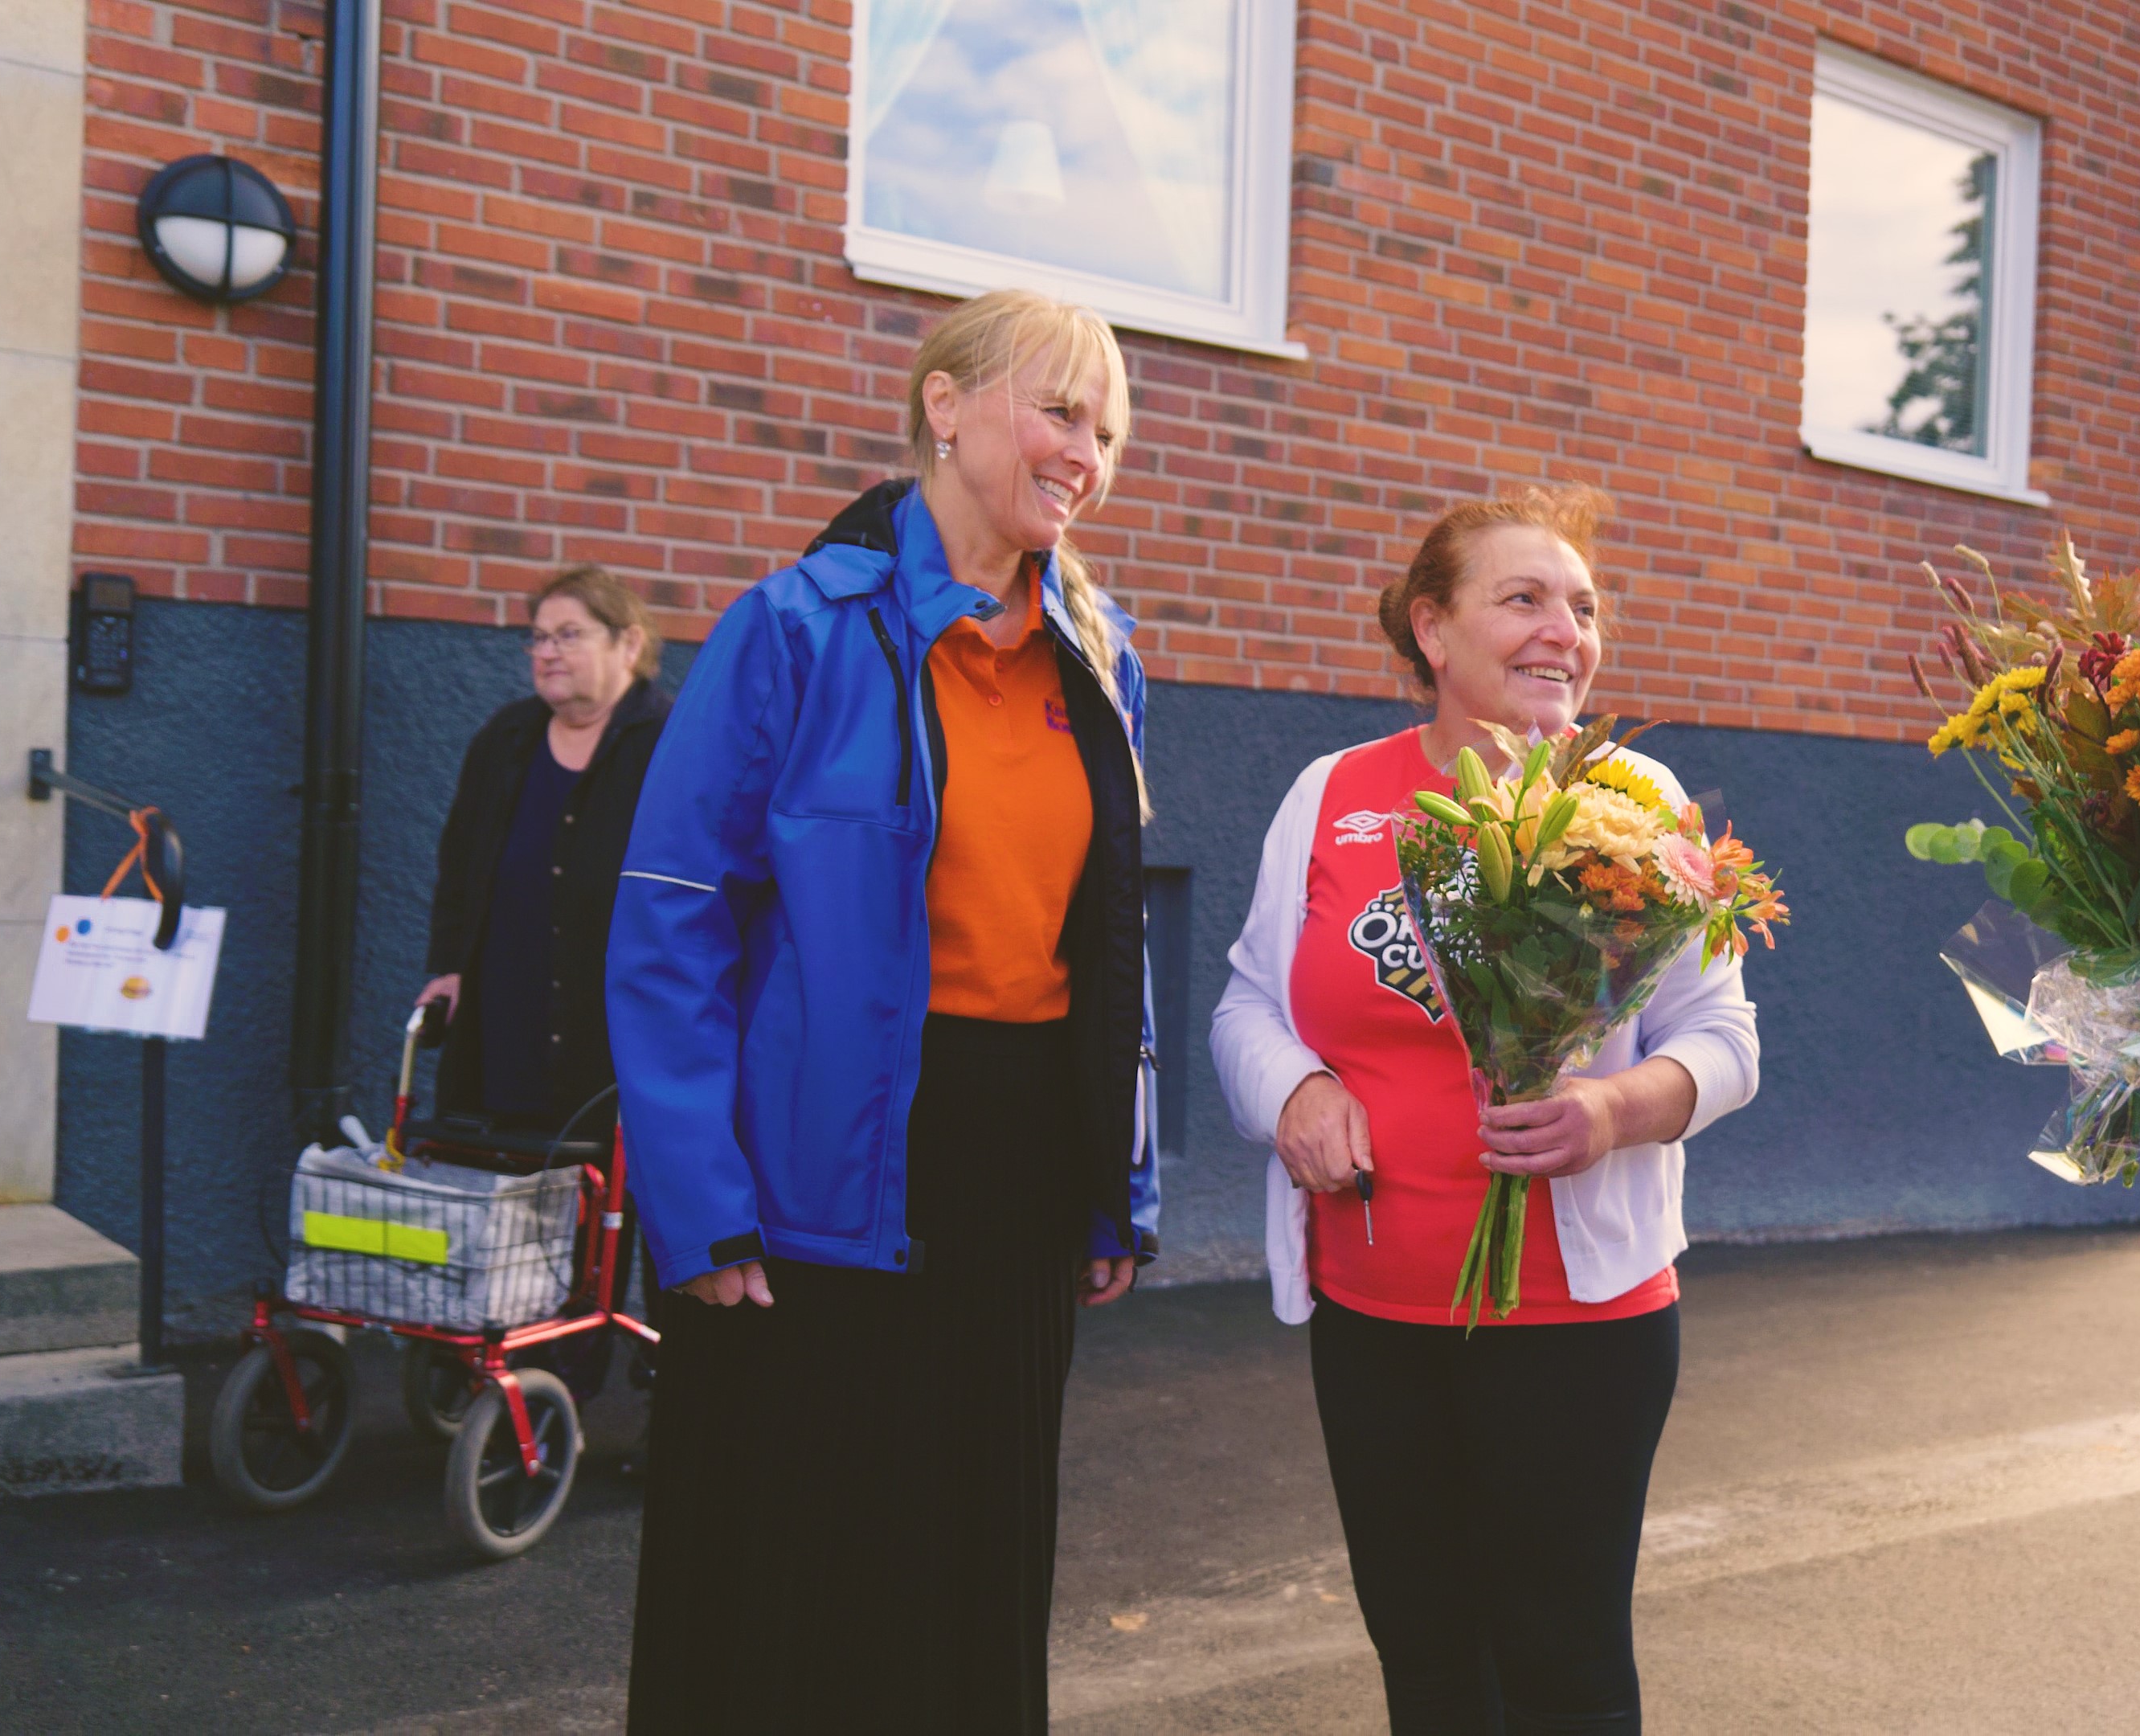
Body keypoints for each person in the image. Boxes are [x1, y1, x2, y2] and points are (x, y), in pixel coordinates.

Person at [608, 287, 1160, 1732]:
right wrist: (698, 1200)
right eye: (1059, 410)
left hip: (1019, 1166)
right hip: (811, 1177)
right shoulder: (793, 629)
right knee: (789, 1576)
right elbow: (673, 914)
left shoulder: (1103, 665)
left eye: (1104, 430)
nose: (1084, 451)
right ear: (946, 405)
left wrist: (1118, 1179)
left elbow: (1110, 948)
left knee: (977, 1569)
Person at [1211, 485, 1760, 1733]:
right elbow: (1248, 1004)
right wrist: (1291, 1090)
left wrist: (1612, 1110)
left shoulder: (1636, 800)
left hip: (1577, 1324)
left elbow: (1725, 1043)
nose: (1563, 629)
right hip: (1372, 1312)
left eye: (1583, 606)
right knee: (1424, 1652)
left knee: (1562, 1664)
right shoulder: (1329, 794)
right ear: (1433, 632)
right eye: (1523, 599)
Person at [418, 563, 670, 1137]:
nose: (547, 652)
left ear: (628, 642)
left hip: (614, 1035)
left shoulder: (669, 744)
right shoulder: (506, 738)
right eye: (539, 637)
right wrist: (450, 968)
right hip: (505, 1023)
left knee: (596, 1205)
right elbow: (459, 868)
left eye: (569, 635)